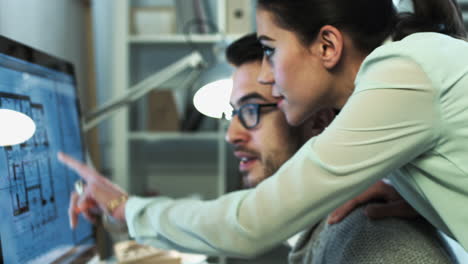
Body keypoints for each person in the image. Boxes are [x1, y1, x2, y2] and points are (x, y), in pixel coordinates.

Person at [60, 30, 458, 262]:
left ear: (319, 117)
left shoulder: (372, 239)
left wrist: (123, 206)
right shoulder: (349, 221)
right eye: (231, 114)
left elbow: (248, 221)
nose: (232, 134)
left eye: (252, 110)